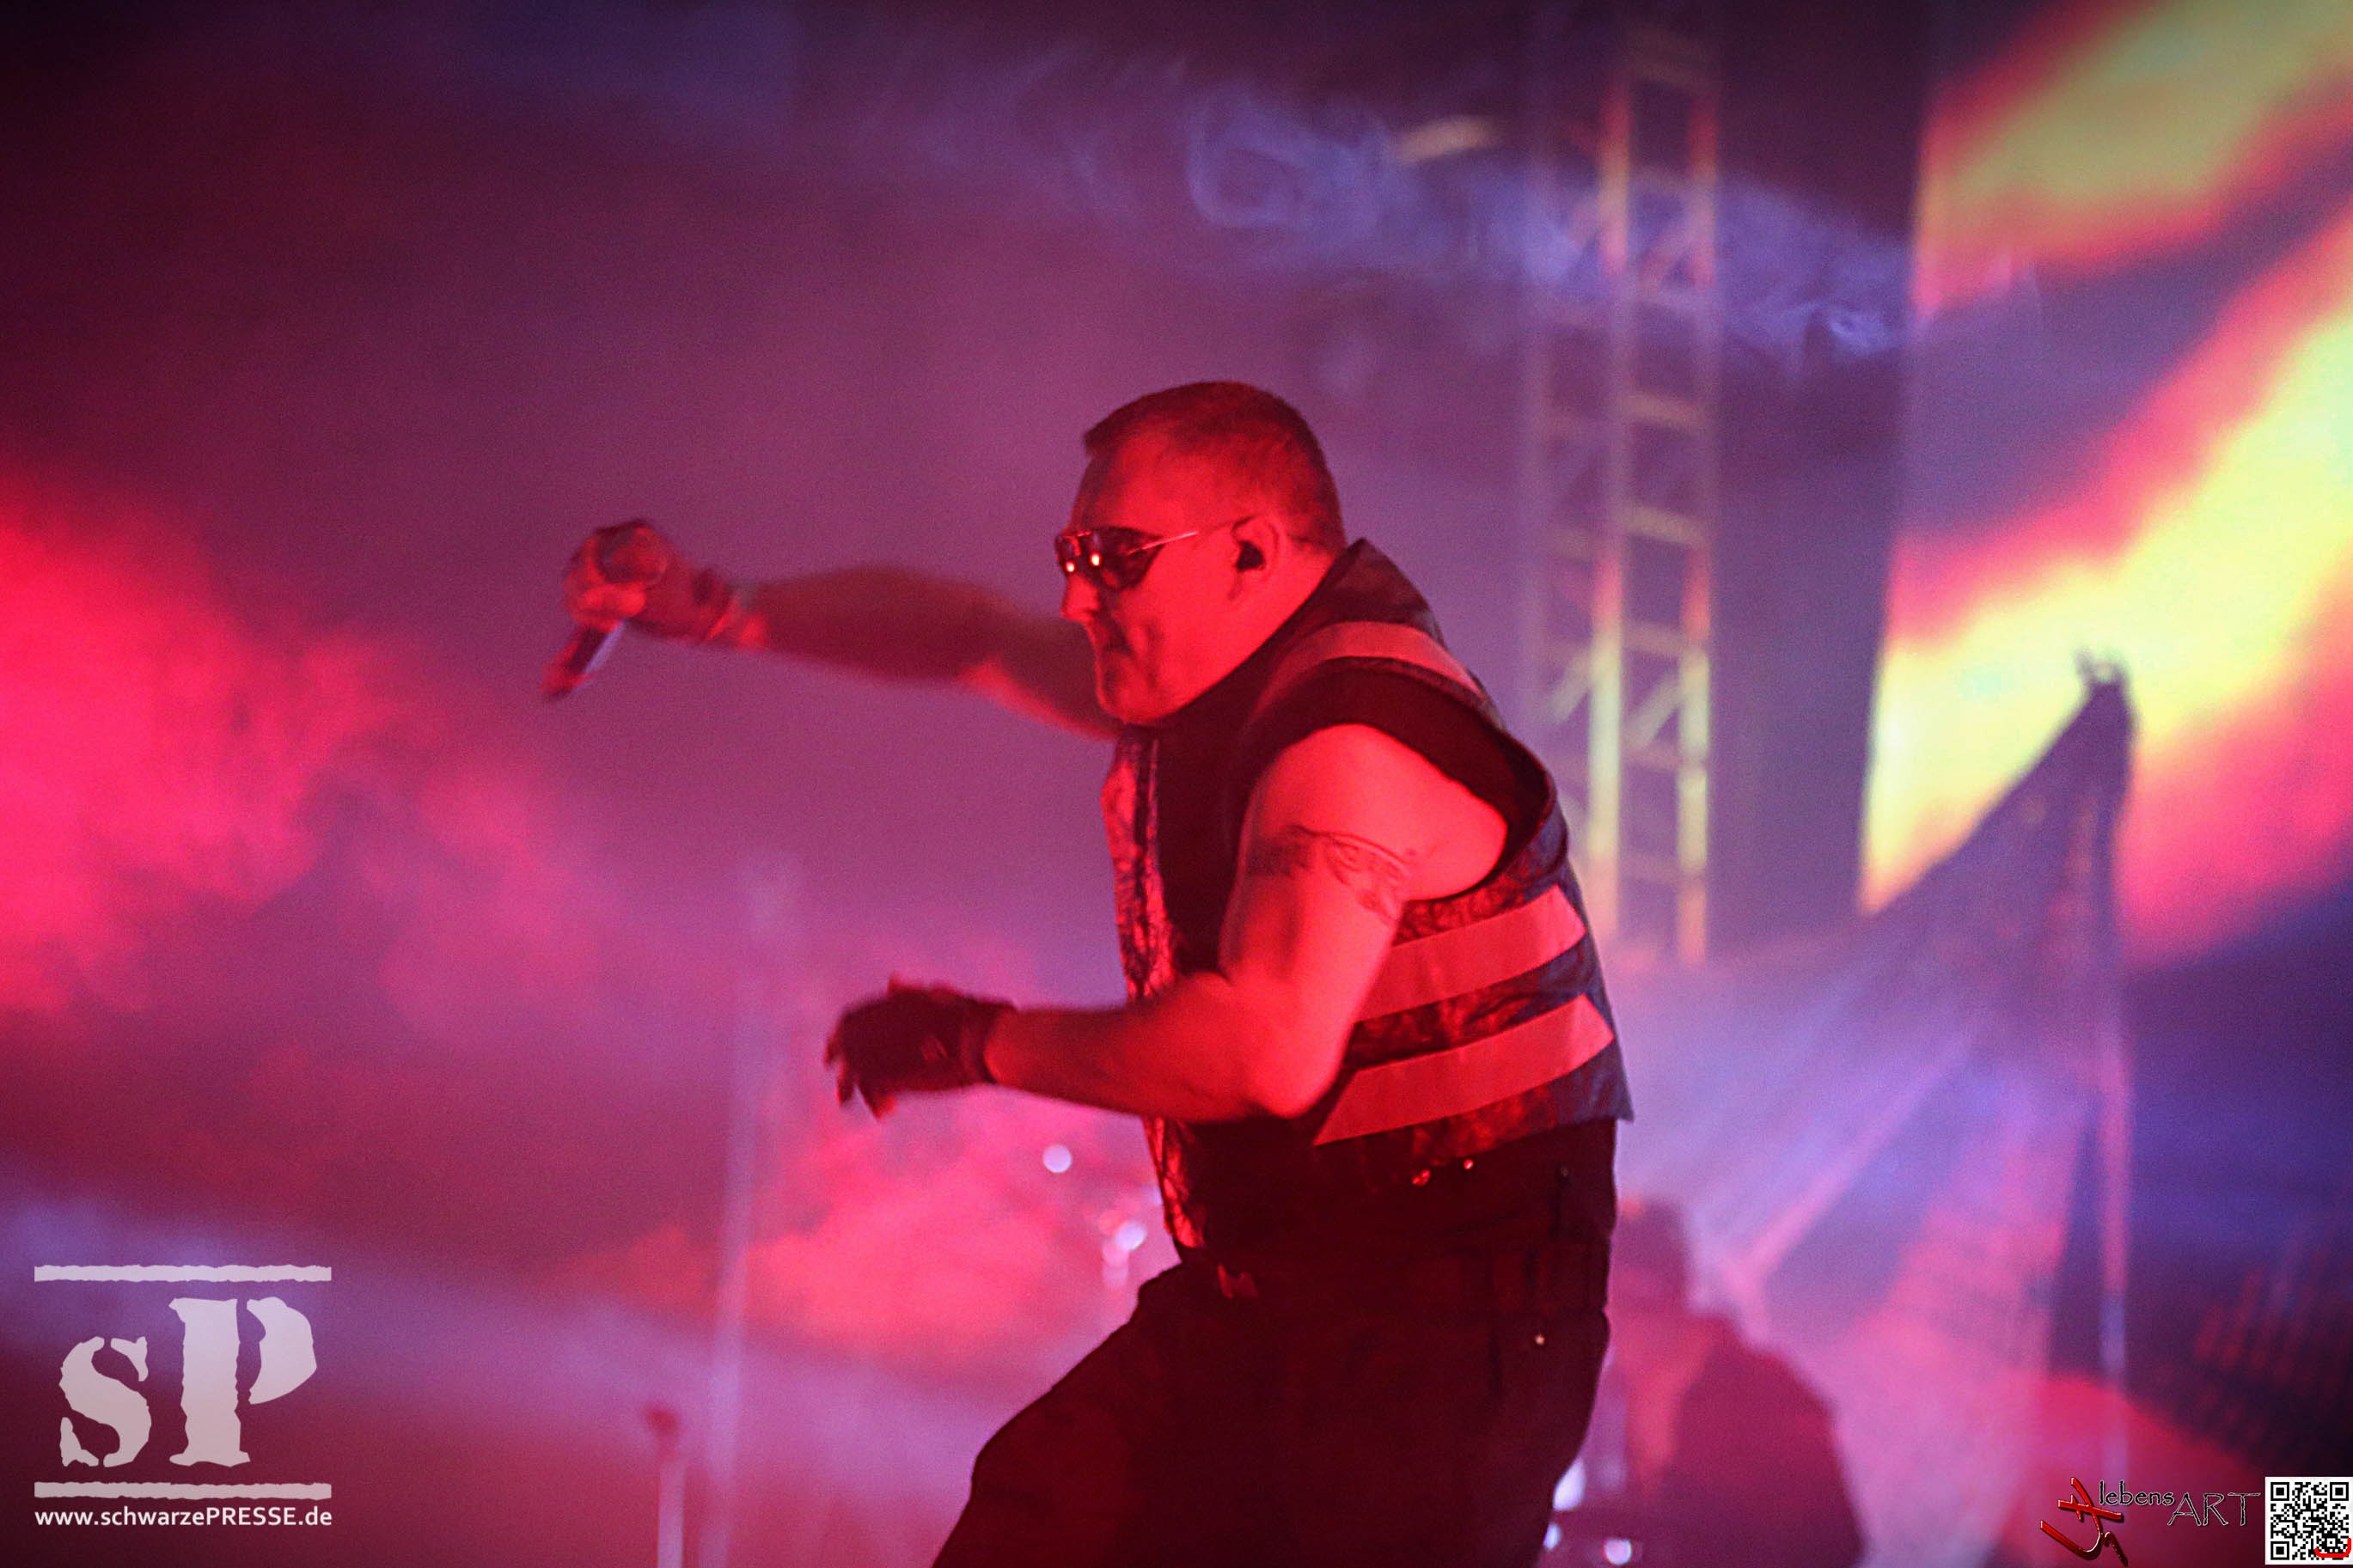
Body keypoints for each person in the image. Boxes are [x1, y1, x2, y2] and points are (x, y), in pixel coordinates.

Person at [562, 381, 1634, 1567]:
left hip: (1443, 1339)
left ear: (1247, 552)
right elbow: (969, 636)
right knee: (1035, 1520)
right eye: (1073, 558)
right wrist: (716, 608)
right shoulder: (1226, 683)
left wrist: (976, 1041)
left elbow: (1262, 1050)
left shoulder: (1352, 737)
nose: (1077, 599)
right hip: (1271, 1300)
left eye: (1114, 559)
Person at [1555, 1199, 1864, 1568]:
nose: (1616, 1326)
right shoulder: (1607, 1398)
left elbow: (1834, 1542)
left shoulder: (1764, 1391)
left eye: (1628, 1301)